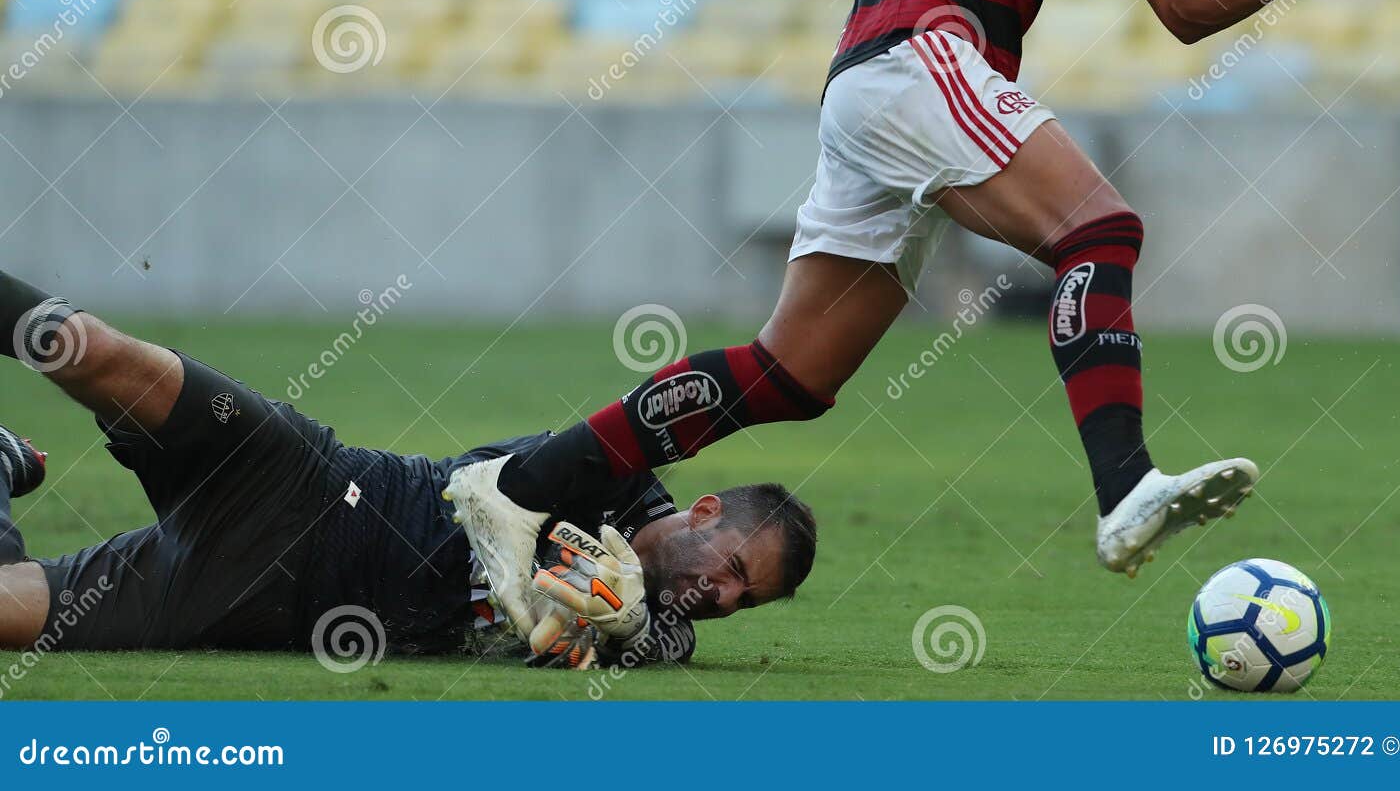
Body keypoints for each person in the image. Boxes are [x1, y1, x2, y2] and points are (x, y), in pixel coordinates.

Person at [450, 0, 1400, 640]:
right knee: (1100, 229)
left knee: (794, 375)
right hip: (909, 58)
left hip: (914, 101)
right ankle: (1124, 484)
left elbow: (1183, 0)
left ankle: (518, 484)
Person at [0, 268, 816, 669]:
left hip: (243, 605)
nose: (725, 594)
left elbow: (657, 651)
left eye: (748, 600)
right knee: (84, 347)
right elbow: (517, 482)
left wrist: (636, 629)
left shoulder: (654, 634)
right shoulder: (610, 479)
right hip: (305, 488)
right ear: (704, 510)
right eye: (737, 566)